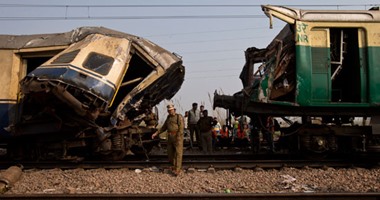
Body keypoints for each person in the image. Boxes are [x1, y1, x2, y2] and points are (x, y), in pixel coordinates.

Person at [152, 104, 184, 176]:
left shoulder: (178, 117)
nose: (170, 112)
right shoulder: (168, 117)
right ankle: (173, 166)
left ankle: (177, 170)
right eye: (169, 111)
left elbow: (181, 128)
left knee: (178, 153)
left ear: (174, 110)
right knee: (170, 153)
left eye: (171, 110)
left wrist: (178, 137)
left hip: (177, 137)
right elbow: (164, 127)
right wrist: (156, 133)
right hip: (170, 137)